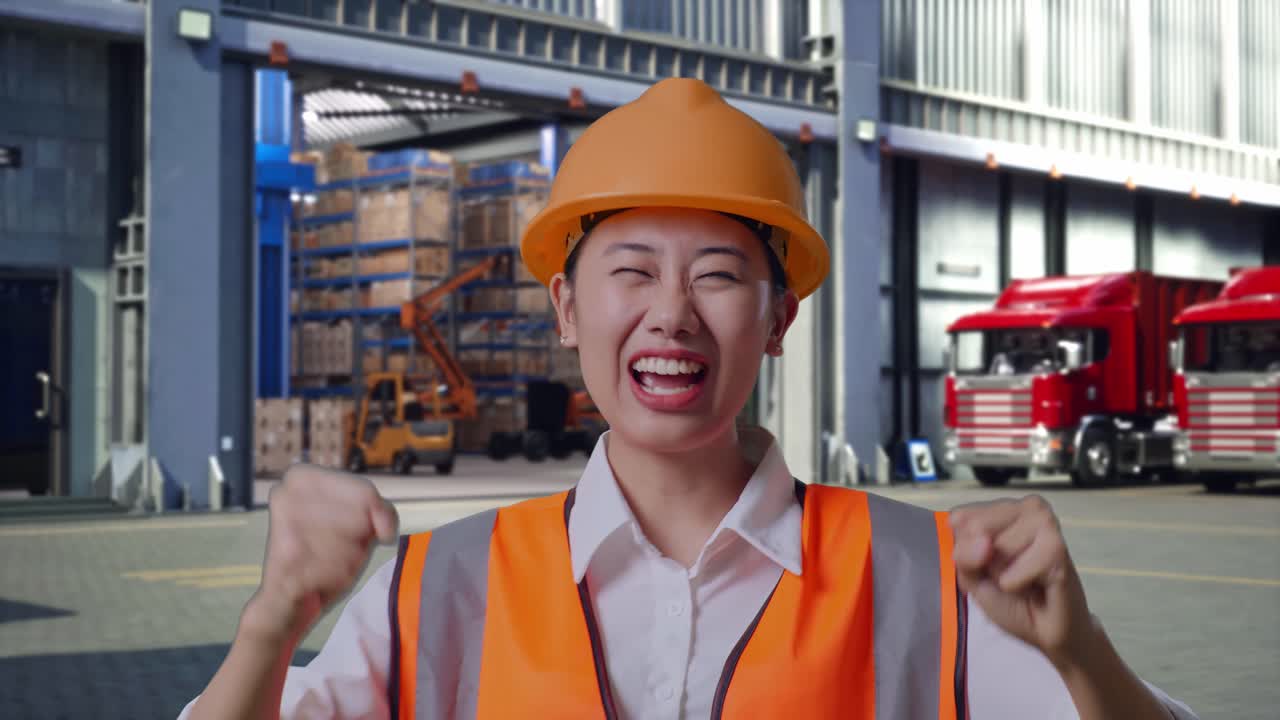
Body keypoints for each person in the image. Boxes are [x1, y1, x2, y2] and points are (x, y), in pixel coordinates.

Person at [180, 79, 1197, 720]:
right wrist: (270, 628)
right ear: (566, 309)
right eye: (630, 270)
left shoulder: (928, 583)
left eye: (715, 273)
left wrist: (1079, 650)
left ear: (778, 317)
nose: (669, 313)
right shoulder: (436, 588)